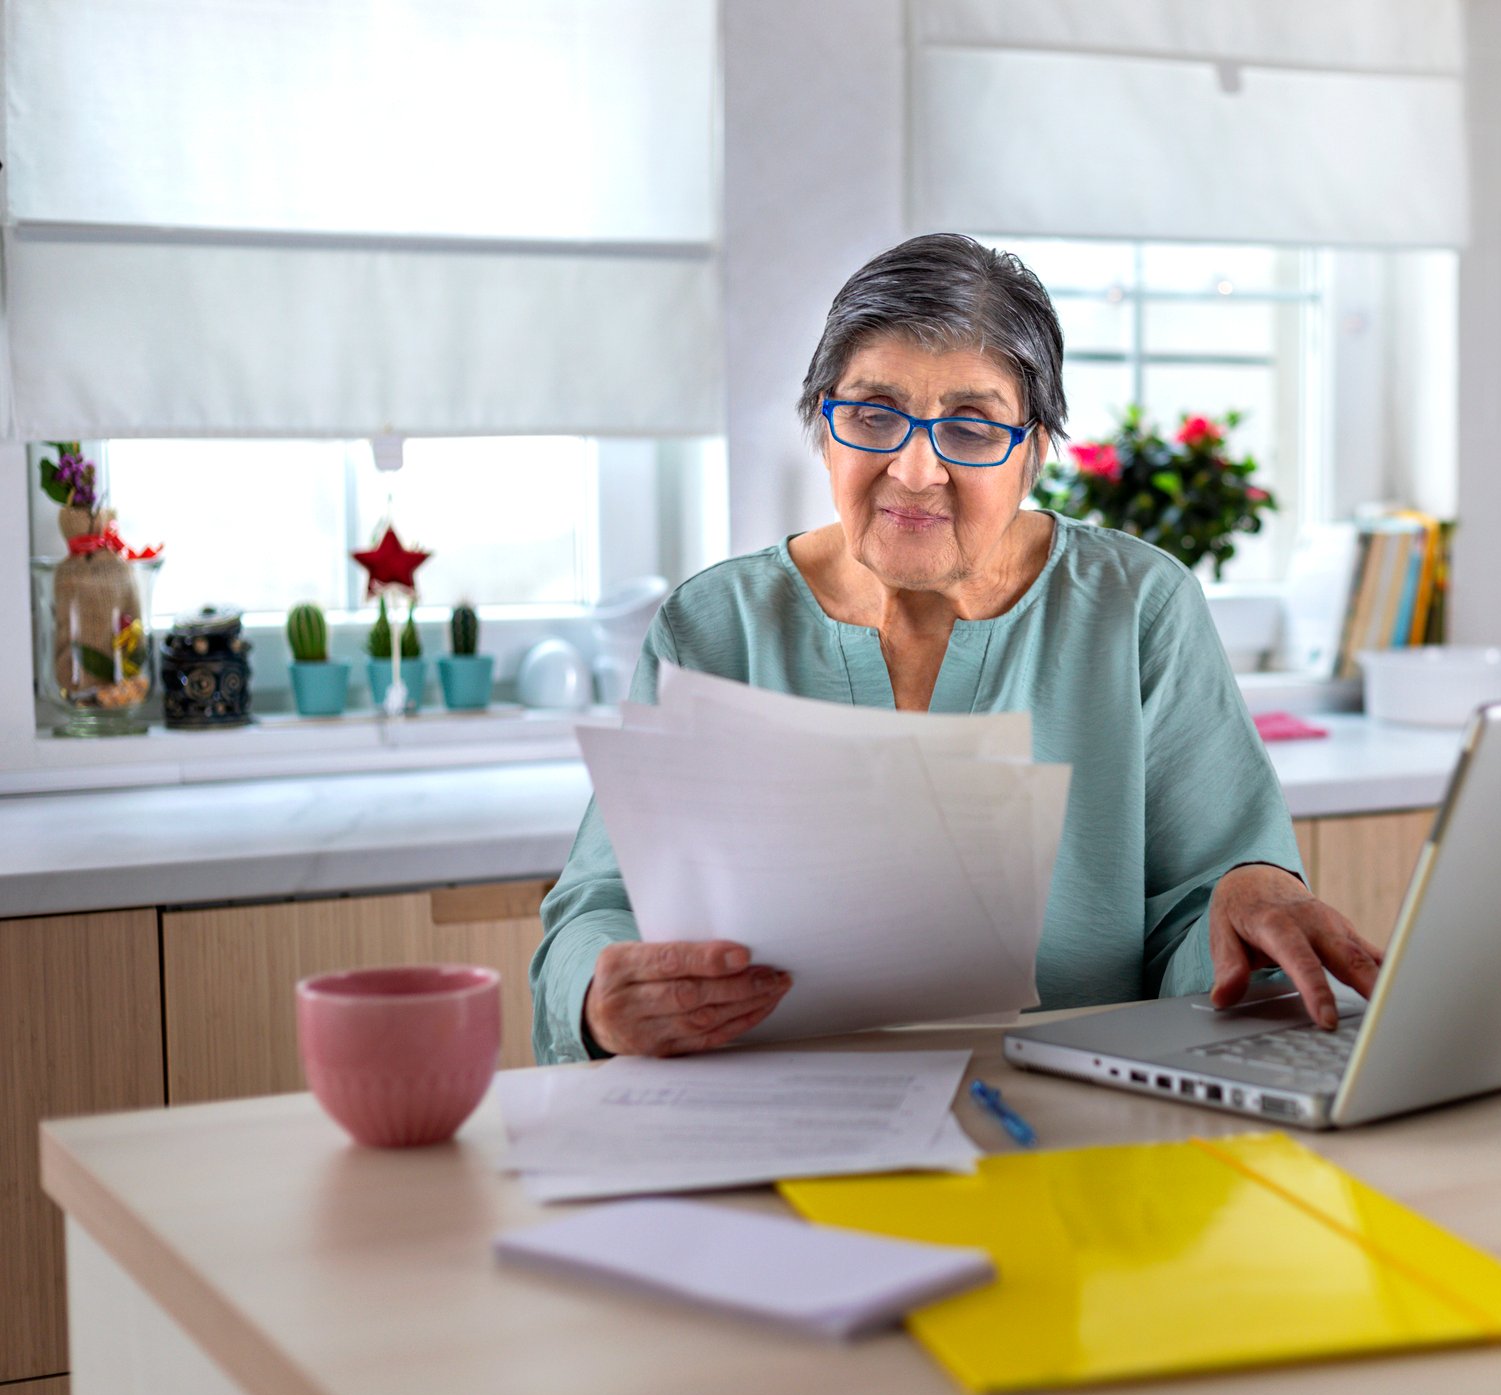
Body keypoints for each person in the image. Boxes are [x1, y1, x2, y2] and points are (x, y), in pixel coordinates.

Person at [532, 233, 1379, 1064]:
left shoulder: (1136, 608)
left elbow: (1209, 905)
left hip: (1069, 1117)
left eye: (970, 429)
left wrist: (1246, 898)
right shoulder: (716, 625)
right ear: (823, 429)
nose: (913, 470)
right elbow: (601, 905)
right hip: (777, 1110)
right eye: (872, 415)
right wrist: (601, 1000)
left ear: (1034, 454)